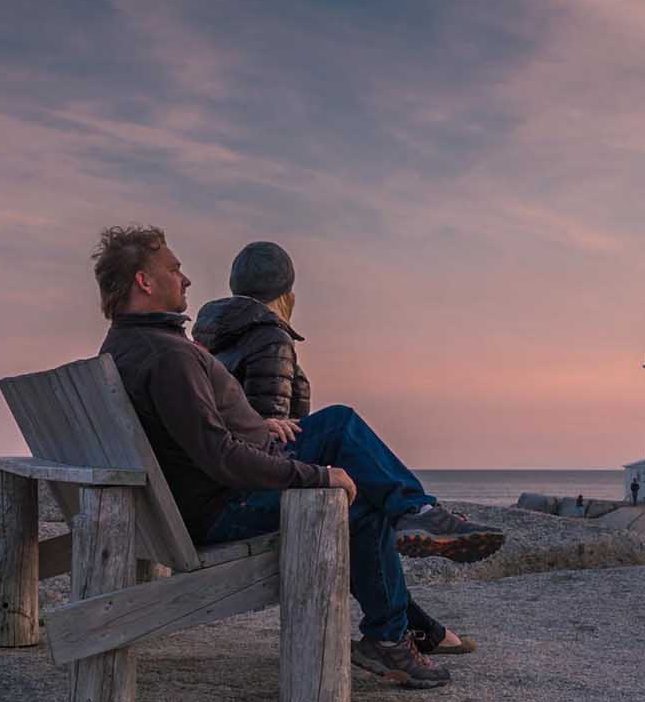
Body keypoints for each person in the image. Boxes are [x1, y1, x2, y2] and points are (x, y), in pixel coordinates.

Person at [92, 225, 503, 689]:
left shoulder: (128, 346)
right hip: (224, 505)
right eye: (174, 268)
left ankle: (416, 516)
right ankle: (391, 625)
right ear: (144, 282)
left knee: (338, 423)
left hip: (207, 490)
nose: (185, 279)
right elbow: (220, 458)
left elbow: (192, 433)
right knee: (360, 501)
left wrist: (256, 424)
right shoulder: (168, 356)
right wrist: (316, 475)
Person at [194, 241, 481, 656]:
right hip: (237, 497)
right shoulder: (269, 336)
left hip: (214, 488)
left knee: (361, 498)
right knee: (348, 451)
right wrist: (317, 469)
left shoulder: (207, 340)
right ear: (287, 294)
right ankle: (414, 513)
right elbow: (269, 443)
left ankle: (412, 625)